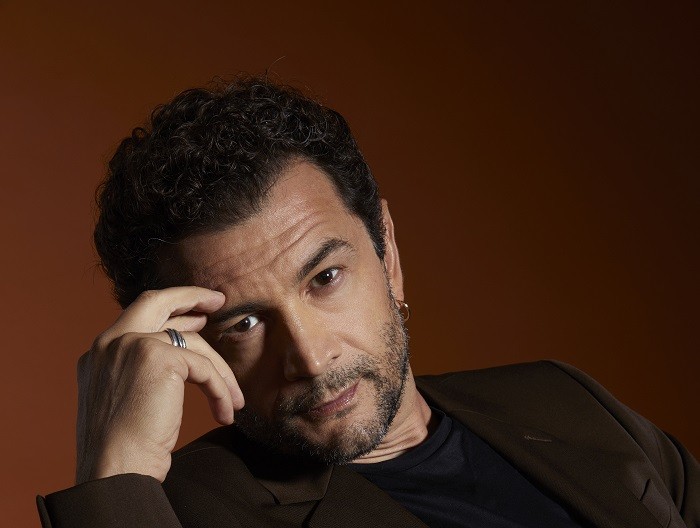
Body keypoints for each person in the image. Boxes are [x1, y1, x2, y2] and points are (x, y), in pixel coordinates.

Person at [37, 77, 698, 528]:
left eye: (324, 277)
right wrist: (113, 475)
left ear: (388, 252)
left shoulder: (562, 399)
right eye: (244, 321)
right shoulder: (178, 510)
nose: (309, 356)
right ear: (184, 342)